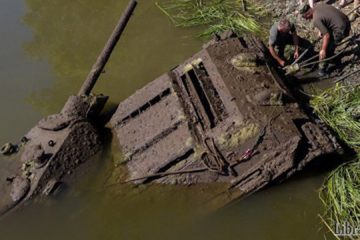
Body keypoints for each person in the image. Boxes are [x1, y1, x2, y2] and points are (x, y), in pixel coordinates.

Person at [299, 3, 351, 76]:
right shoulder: (318, 5)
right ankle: (331, 57)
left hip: (342, 30)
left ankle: (323, 70)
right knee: (326, 45)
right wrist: (321, 30)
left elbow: (326, 35)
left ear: (307, 14)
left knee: (326, 50)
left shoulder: (316, 19)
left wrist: (323, 49)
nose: (307, 19)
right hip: (346, 21)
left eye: (306, 17)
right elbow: (326, 18)